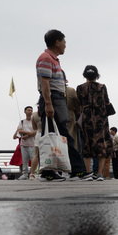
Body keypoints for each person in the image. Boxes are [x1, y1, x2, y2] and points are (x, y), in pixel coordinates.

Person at [36, 29, 91, 182]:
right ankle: (74, 171)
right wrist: (48, 104)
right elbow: (44, 83)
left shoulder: (53, 59)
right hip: (52, 99)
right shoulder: (46, 58)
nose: (65, 46)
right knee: (54, 136)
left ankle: (57, 171)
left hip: (57, 99)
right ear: (57, 42)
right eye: (64, 42)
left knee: (59, 136)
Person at [76, 65, 114, 182]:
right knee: (101, 146)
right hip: (100, 119)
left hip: (87, 118)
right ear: (97, 75)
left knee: (87, 145)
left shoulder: (80, 88)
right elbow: (106, 102)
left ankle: (88, 173)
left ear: (85, 75)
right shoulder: (102, 87)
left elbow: (79, 103)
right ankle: (99, 174)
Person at [14, 106, 37, 180]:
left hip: (33, 143)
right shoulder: (22, 122)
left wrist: (27, 135)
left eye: (31, 110)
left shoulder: (34, 121)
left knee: (33, 159)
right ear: (25, 112)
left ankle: (34, 173)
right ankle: (25, 174)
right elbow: (19, 131)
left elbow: (36, 132)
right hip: (24, 144)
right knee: (25, 160)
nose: (30, 111)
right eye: (28, 110)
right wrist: (29, 133)